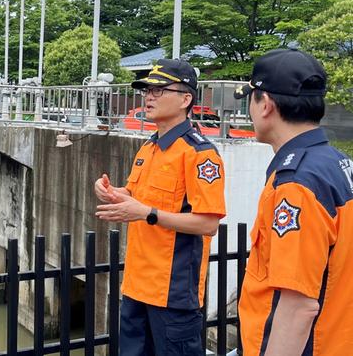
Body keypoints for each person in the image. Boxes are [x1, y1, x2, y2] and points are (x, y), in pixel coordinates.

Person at [95, 59, 226, 355]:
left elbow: (208, 224)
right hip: (136, 285)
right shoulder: (149, 147)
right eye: (146, 90)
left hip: (173, 293)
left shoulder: (200, 154)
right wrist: (113, 193)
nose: (149, 96)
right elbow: (134, 194)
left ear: (185, 99)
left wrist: (146, 213)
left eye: (159, 90)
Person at [235, 49, 353, 355]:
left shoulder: (297, 182)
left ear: (266, 106)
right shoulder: (338, 164)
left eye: (251, 98)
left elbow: (298, 304)